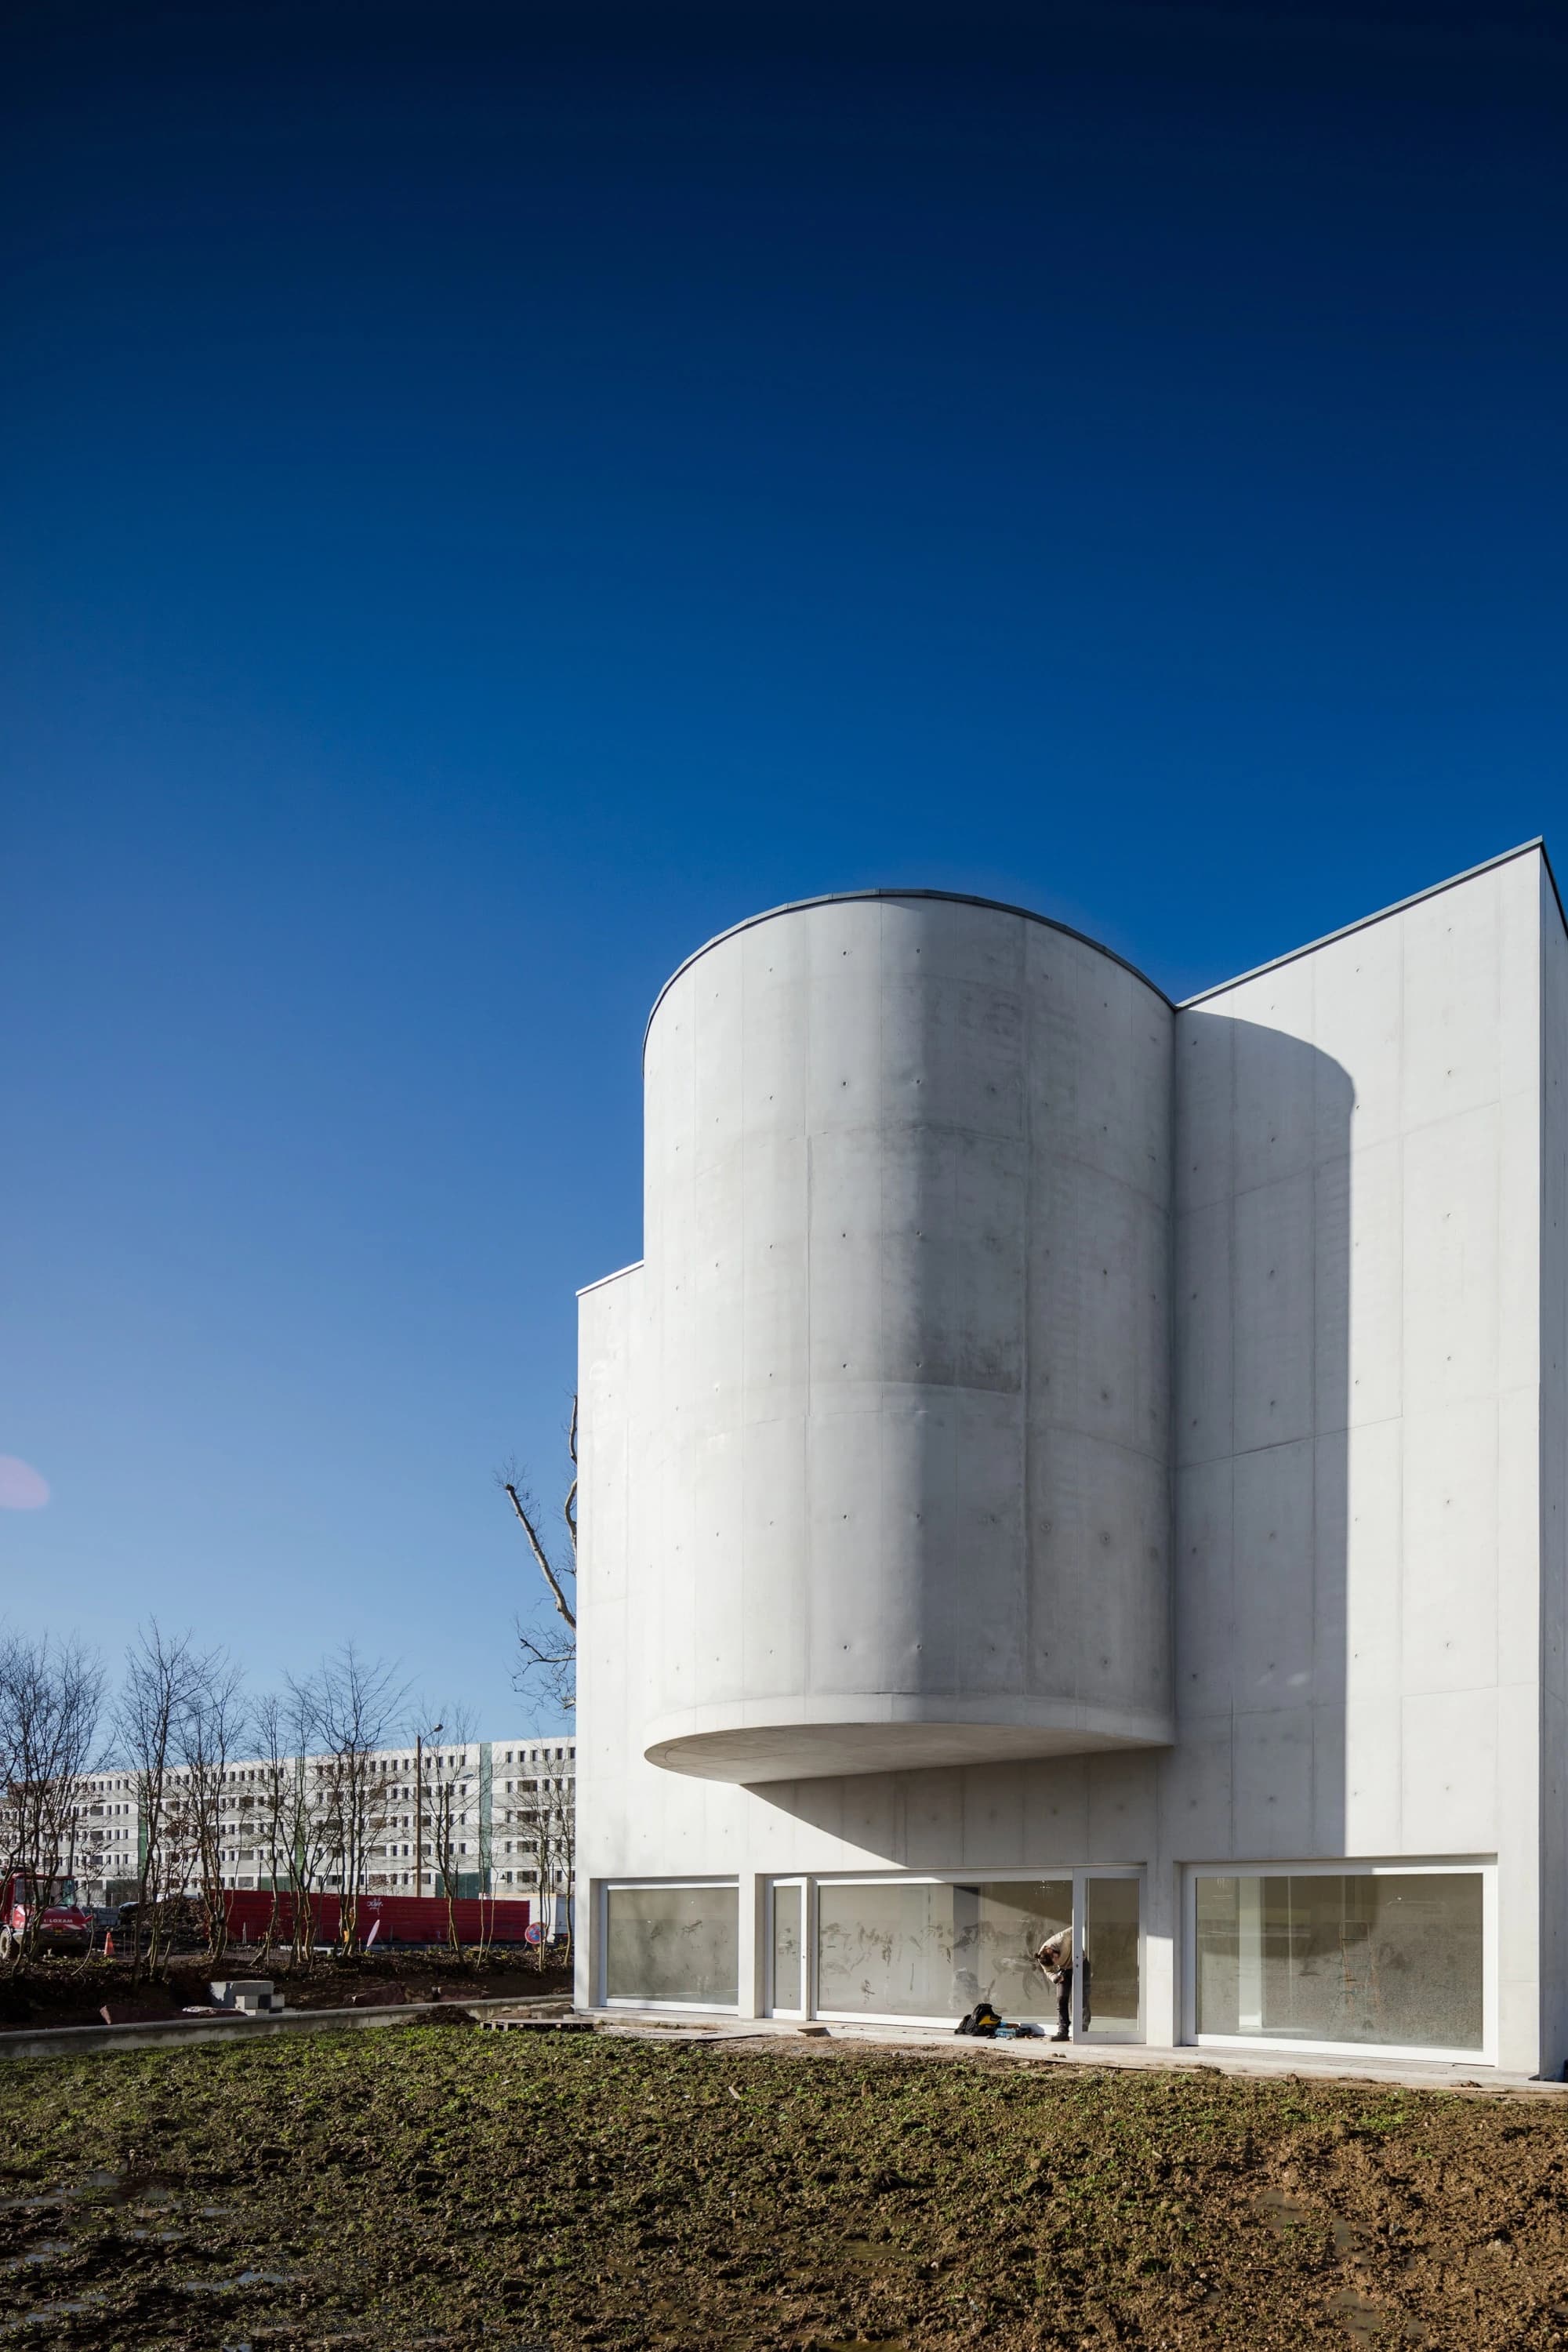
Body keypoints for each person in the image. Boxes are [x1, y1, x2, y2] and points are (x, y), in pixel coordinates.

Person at [1034, 1926, 1082, 2042]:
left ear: (1050, 1950)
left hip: (1080, 1963)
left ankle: (1083, 2032)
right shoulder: (1043, 1958)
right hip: (1065, 1969)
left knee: (1082, 1997)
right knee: (1061, 1999)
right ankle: (1063, 2032)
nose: (1056, 1962)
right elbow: (1048, 1971)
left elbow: (1077, 1927)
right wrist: (1055, 1978)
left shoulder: (1061, 1939)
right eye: (1054, 1963)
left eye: (1055, 1959)